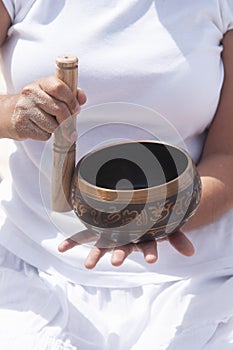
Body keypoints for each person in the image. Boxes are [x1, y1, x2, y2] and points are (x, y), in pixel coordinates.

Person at [0, 0, 233, 349]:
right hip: (36, 263)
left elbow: (226, 154)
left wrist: (166, 215)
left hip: (196, 281)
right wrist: (10, 113)